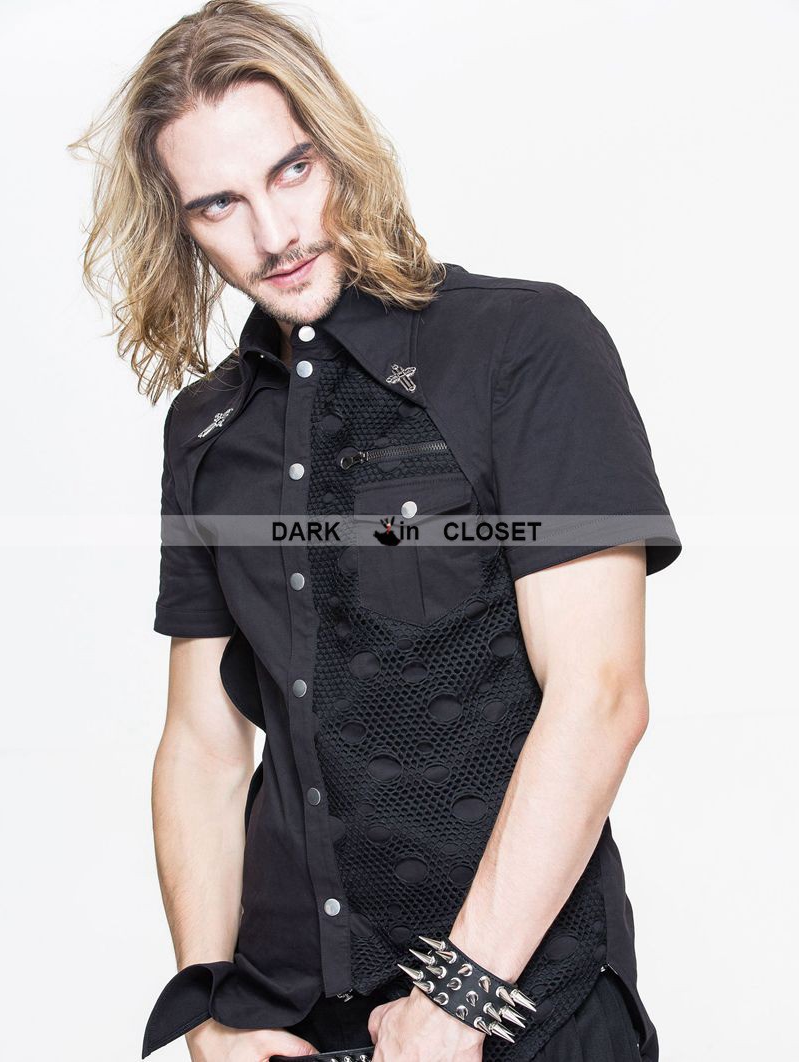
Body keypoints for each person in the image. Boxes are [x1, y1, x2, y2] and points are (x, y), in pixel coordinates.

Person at [73, 2, 682, 1059]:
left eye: (291, 171)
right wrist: (209, 1011)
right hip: (290, 1022)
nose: (273, 234)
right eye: (219, 203)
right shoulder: (208, 429)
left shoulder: (523, 346)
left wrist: (457, 997)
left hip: (523, 1013)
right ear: (179, 225)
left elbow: (599, 696)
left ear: (340, 145)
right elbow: (204, 745)